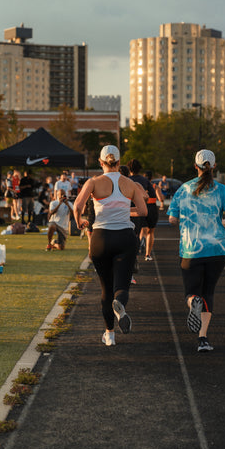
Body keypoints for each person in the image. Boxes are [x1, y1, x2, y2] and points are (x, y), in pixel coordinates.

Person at [73, 146, 147, 347]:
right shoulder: (129, 183)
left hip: (100, 238)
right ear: (119, 162)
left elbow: (77, 206)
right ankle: (120, 304)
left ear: (101, 162)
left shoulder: (93, 182)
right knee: (121, 286)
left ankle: (110, 335)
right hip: (125, 237)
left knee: (105, 289)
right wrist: (124, 211)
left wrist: (79, 221)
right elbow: (143, 210)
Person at [168, 149, 225, 353]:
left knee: (192, 291)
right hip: (217, 249)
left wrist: (185, 222)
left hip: (191, 249)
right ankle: (203, 339)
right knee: (209, 292)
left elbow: (172, 218)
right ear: (214, 166)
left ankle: (193, 302)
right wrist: (223, 223)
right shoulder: (223, 190)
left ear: (195, 166)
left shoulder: (183, 189)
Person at [127, 159, 157, 261]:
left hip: (134, 209)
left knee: (135, 232)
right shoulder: (145, 180)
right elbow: (150, 195)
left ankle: (135, 254)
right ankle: (148, 254)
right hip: (150, 206)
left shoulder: (127, 180)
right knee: (150, 232)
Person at [139, 170, 164, 261]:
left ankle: (140, 242)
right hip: (152, 208)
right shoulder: (154, 186)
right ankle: (147, 255)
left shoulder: (140, 186)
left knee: (141, 229)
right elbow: (160, 199)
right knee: (151, 232)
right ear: (152, 178)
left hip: (142, 207)